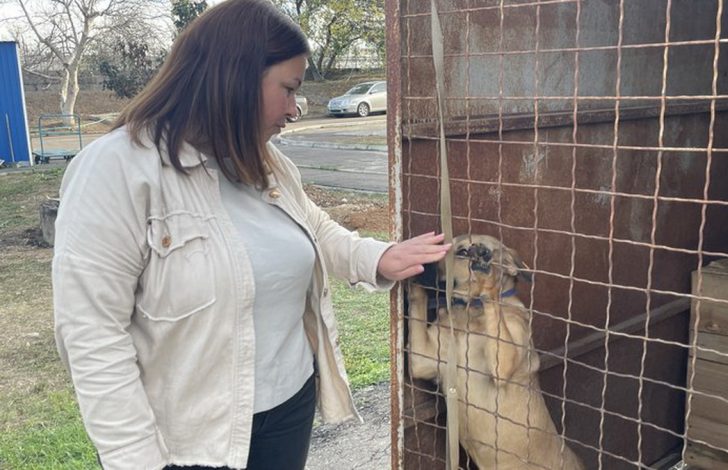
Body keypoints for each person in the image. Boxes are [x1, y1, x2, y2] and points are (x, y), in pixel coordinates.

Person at [51, 1, 449, 468]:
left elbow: (314, 228)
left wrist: (377, 257)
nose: (294, 110)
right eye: (289, 89)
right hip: (187, 444)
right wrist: (134, 459)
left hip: (287, 409)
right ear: (234, 78)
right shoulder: (115, 170)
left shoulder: (266, 163)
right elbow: (92, 333)